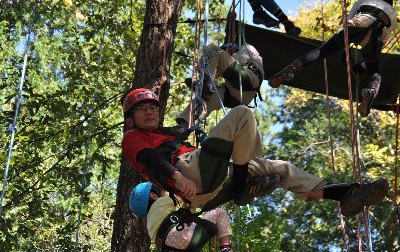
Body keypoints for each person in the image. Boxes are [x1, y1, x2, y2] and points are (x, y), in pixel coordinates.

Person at [122, 88, 389, 219]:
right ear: (131, 118)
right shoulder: (133, 138)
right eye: (142, 109)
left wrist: (210, 87)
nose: (150, 112)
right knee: (241, 114)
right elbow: (151, 160)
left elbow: (192, 114)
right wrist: (178, 179)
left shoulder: (169, 133)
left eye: (153, 108)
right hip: (190, 175)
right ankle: (242, 185)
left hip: (209, 183)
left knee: (279, 167)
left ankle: (343, 194)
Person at [268, 0, 397, 117]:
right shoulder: (392, 12)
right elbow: (383, 40)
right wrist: (364, 60)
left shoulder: (362, 2)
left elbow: (348, 22)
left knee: (322, 50)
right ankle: (372, 91)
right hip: (379, 34)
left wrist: (346, 48)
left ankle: (292, 68)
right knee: (374, 71)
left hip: (361, 20)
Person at [177, 43, 264, 128]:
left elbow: (241, 60)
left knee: (212, 49)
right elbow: (216, 69)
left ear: (232, 48)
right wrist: (204, 70)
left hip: (249, 78)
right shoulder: (234, 67)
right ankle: (184, 125)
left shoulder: (247, 47)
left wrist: (205, 72)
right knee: (207, 99)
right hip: (238, 97)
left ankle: (205, 84)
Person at [129, 182, 234, 252]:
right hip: (185, 236)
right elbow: (185, 194)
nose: (164, 191)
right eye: (161, 190)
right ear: (153, 195)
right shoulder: (160, 202)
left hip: (174, 248)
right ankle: (226, 248)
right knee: (220, 212)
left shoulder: (150, 225)